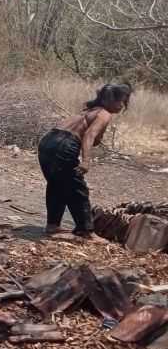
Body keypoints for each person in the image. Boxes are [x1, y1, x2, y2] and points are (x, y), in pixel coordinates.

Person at [37, 83, 133, 236]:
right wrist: (86, 161)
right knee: (77, 189)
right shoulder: (104, 114)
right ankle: (86, 231)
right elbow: (89, 136)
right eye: (120, 101)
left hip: (48, 141)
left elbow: (89, 135)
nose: (122, 105)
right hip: (64, 145)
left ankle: (52, 225)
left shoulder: (89, 112)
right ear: (109, 100)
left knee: (57, 185)